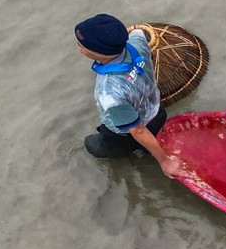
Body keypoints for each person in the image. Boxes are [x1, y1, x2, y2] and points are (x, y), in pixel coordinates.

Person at [74, 14, 183, 178]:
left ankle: (151, 153)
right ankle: (150, 149)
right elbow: (139, 31)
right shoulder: (137, 41)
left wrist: (165, 162)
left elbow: (138, 130)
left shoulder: (109, 92)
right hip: (157, 112)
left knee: (91, 146)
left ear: (101, 54)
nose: (78, 47)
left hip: (124, 135)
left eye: (82, 46)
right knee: (150, 141)